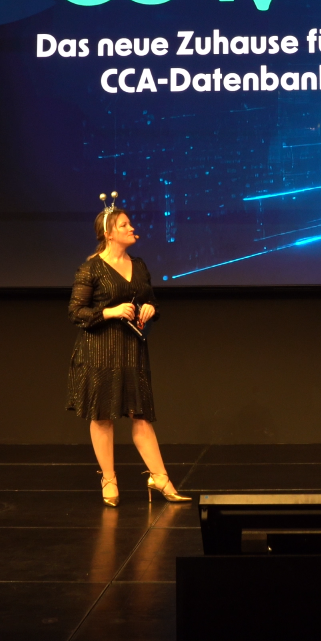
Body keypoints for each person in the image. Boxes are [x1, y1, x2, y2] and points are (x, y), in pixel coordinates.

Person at [67, 196, 189, 507]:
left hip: (132, 349)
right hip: (100, 351)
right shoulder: (91, 268)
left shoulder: (139, 265)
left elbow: (151, 301)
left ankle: (160, 477)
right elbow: (76, 312)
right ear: (109, 233)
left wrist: (150, 308)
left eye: (130, 223)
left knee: (141, 415)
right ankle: (109, 478)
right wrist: (110, 311)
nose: (132, 228)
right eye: (124, 225)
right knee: (102, 415)